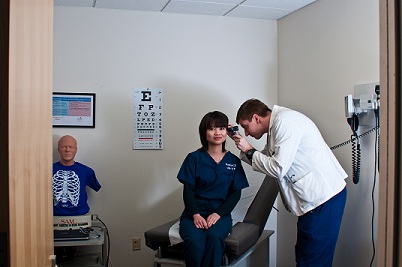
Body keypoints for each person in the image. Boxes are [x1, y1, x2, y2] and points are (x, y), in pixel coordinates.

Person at [230, 99, 347, 267]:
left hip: (323, 199)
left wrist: (248, 149)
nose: (246, 133)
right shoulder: (277, 125)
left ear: (256, 118)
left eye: (245, 126)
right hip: (317, 200)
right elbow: (265, 158)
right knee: (306, 255)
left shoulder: (285, 123)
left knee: (312, 259)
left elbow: (278, 168)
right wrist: (242, 146)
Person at [177, 111, 249, 267]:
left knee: (214, 238)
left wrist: (218, 214)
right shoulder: (194, 158)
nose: (217, 132)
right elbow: (188, 190)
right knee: (195, 241)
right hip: (194, 213)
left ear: (227, 132)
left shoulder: (233, 161)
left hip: (220, 214)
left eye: (221, 128)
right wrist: (195, 214)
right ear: (204, 132)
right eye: (212, 128)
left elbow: (235, 193)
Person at [52, 135, 101, 216]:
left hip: (80, 215)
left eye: (71, 147)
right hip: (54, 216)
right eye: (64, 147)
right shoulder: (48, 170)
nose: (67, 150)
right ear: (58, 150)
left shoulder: (86, 171)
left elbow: (97, 187)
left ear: (76, 150)